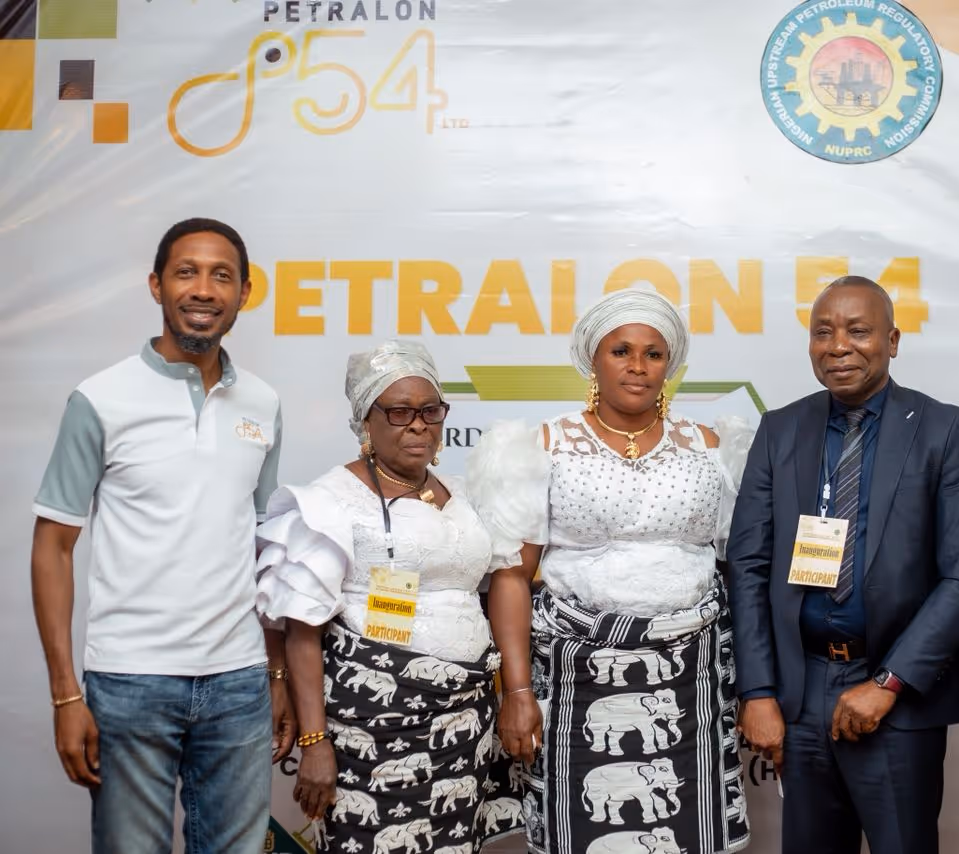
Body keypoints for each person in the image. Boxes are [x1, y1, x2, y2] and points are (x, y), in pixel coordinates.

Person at [29, 217, 294, 854]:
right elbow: (53, 547)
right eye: (186, 272)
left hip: (237, 683)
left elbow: (264, 548)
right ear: (156, 285)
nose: (203, 289)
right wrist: (67, 693)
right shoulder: (100, 399)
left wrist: (276, 675)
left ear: (245, 293)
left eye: (220, 276)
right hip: (129, 682)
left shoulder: (263, 403)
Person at [467, 288, 754, 854]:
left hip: (690, 672)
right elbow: (511, 577)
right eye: (621, 351)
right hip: (577, 673)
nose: (638, 367)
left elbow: (740, 569)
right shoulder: (543, 446)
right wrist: (518, 690)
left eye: (653, 353)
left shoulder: (714, 446)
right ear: (593, 359)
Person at [727, 275, 959, 854]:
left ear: (892, 341)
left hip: (894, 688)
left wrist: (888, 682)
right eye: (823, 332)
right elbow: (746, 565)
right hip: (801, 691)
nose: (838, 345)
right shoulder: (780, 430)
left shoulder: (944, 429)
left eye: (858, 331)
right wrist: (759, 690)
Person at [255, 340, 524, 852]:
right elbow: (302, 632)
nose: (418, 424)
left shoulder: (463, 495)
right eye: (399, 411)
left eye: (430, 410)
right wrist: (315, 743)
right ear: (366, 421)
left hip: (462, 723)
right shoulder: (331, 502)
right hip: (370, 724)